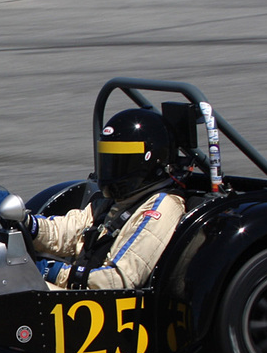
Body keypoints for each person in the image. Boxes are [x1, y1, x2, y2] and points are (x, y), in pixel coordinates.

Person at [26, 107, 187, 290]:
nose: (111, 169)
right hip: (82, 292)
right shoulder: (116, 200)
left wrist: (56, 272)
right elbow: (73, 230)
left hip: (110, 304)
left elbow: (118, 280)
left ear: (150, 162)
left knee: (15, 288)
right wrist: (29, 225)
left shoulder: (161, 207)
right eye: (109, 159)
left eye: (121, 160)